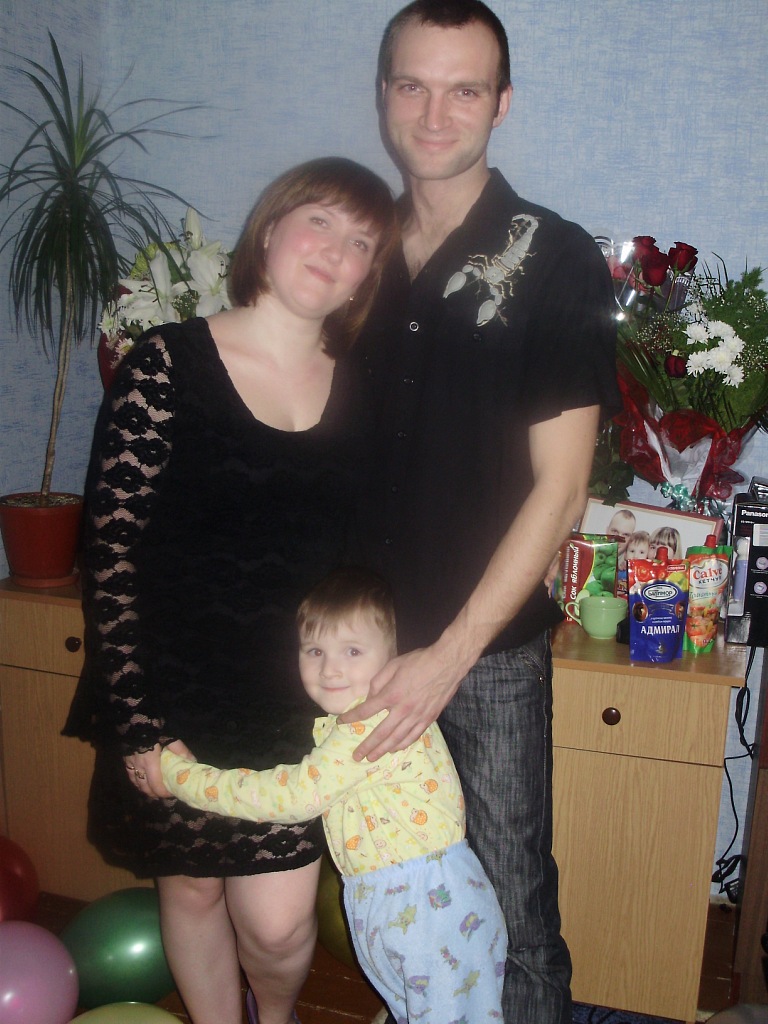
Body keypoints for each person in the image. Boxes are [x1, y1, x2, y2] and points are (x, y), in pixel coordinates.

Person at [63, 157, 399, 1024]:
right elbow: (110, 552)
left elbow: (374, 555)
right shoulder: (165, 363)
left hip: (300, 697)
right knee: (192, 890)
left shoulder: (365, 387)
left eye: (361, 242)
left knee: (281, 927)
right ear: (272, 226)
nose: (335, 250)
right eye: (320, 220)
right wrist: (137, 719)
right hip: (175, 688)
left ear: (365, 277)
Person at [344, 4, 622, 1023]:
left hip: (486, 653)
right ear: (383, 95)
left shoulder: (555, 259)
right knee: (392, 891)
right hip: (361, 643)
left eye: (464, 89)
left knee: (511, 906)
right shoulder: (353, 249)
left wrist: (447, 658)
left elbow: (562, 488)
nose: (435, 113)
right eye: (412, 85)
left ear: (502, 104)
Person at [161, 566, 508, 1024]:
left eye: (353, 651)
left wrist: (179, 777)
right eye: (315, 650)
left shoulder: (370, 724)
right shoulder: (354, 720)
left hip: (426, 907)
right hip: (407, 899)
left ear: (395, 654)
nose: (330, 668)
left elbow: (290, 797)